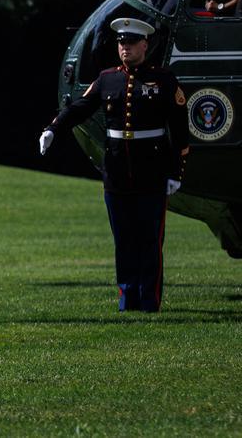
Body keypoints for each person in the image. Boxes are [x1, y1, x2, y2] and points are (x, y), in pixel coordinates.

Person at [39, 18, 189, 312]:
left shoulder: (163, 80)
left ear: (144, 45)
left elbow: (180, 129)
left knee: (150, 239)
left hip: (152, 171)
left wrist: (176, 172)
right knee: (123, 238)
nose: (125, 48)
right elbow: (80, 108)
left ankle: (149, 300)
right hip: (117, 172)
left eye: (131, 43)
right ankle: (127, 298)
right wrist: (54, 128)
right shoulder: (108, 79)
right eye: (122, 43)